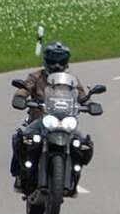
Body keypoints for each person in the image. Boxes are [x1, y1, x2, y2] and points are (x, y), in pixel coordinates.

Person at [11, 42, 93, 190]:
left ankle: (75, 172)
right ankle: (20, 173)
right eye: (53, 62)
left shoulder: (71, 80)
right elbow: (25, 88)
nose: (56, 66)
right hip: (41, 121)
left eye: (60, 62)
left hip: (66, 122)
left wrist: (90, 103)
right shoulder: (36, 76)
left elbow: (81, 95)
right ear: (46, 61)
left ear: (66, 62)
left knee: (84, 143)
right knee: (21, 138)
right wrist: (20, 97)